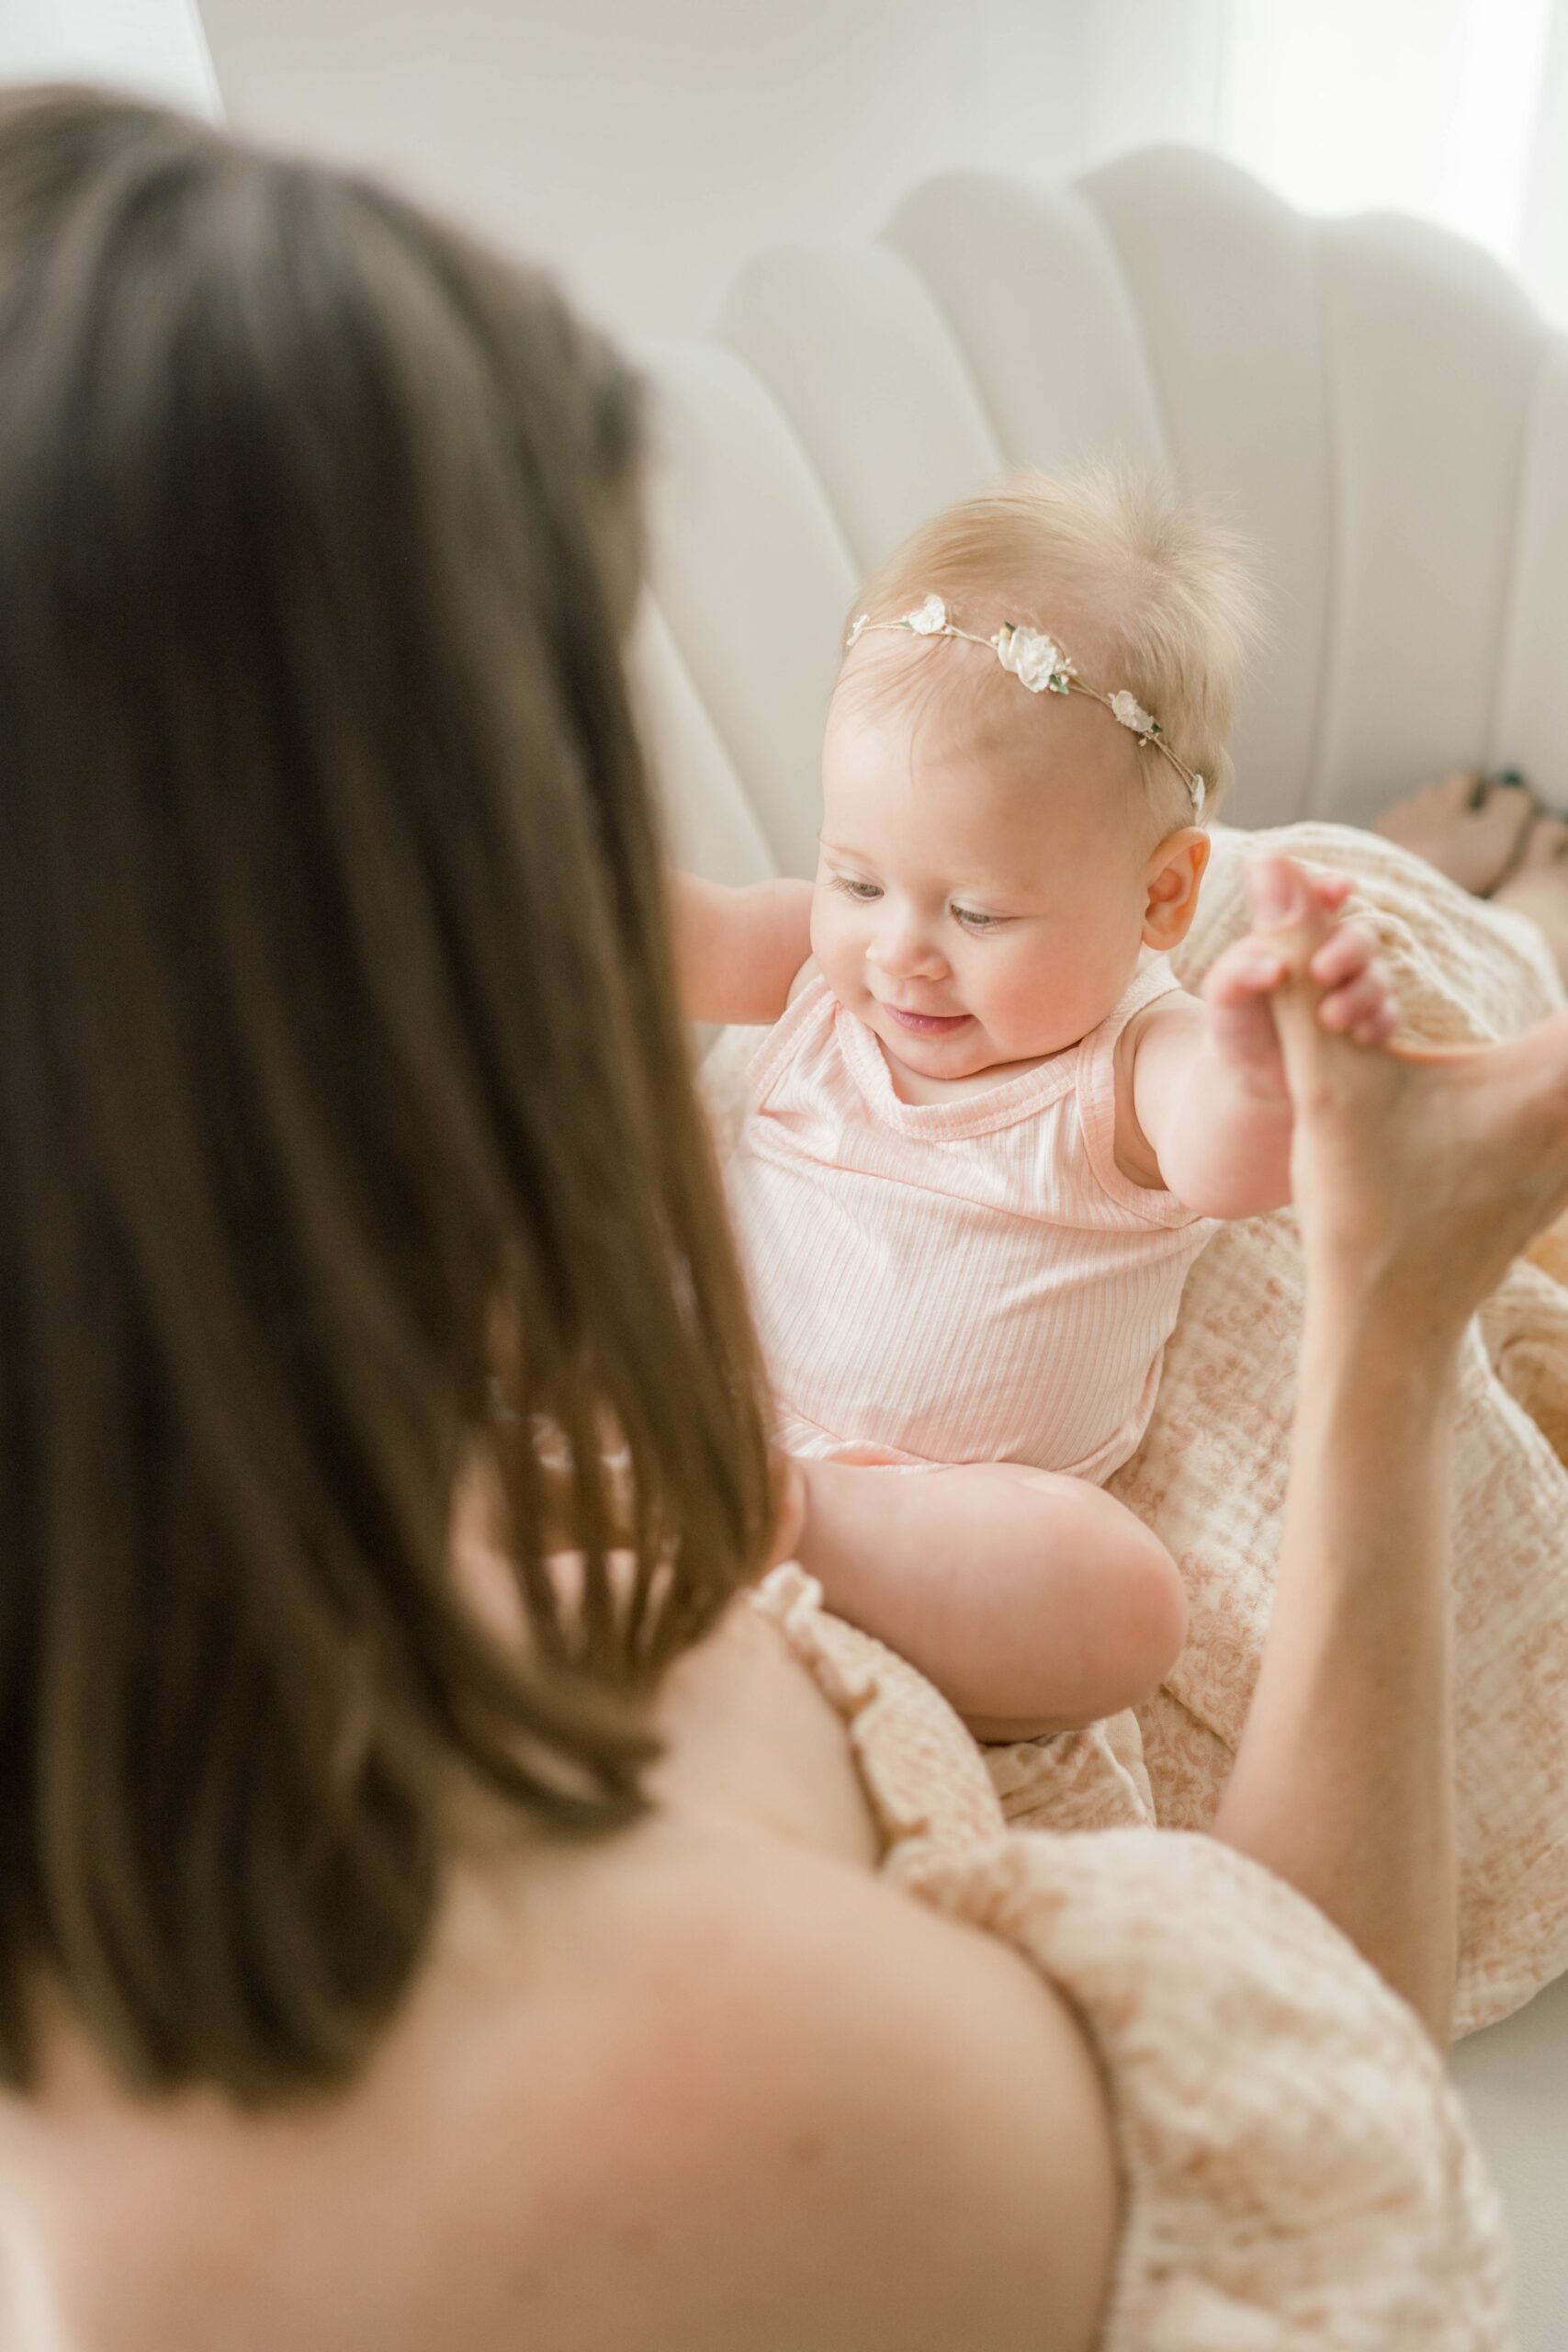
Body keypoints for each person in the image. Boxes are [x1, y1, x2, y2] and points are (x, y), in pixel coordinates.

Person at [0, 84, 1561, 2350]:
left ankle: (1461, 895)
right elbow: (1334, 2121)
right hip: (971, 1536)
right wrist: (1389, 1318)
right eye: (554, 786)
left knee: (1356, 936)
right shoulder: (669, 2067)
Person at [677, 476, 1402, 1735]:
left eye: (976, 913)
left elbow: (1233, 1160)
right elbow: (659, 936)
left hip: (935, 1553)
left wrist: (1267, 1055)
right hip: (680, 1409)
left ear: (1163, 900)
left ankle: (786, 1517)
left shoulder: (1127, 1064)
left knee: (1122, 1596)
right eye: (855, 876)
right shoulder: (812, 962)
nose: (899, 951)